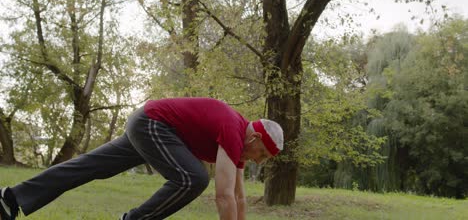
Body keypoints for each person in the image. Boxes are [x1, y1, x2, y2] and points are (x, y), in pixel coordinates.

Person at [0, 97, 284, 220]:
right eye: (263, 154)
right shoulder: (234, 131)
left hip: (149, 124)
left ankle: (10, 199)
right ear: (255, 138)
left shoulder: (238, 137)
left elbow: (239, 197)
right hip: (153, 124)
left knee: (88, 166)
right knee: (193, 178)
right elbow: (223, 196)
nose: (260, 161)